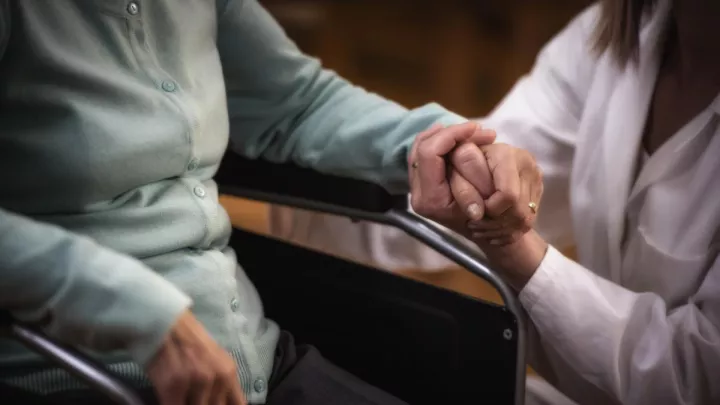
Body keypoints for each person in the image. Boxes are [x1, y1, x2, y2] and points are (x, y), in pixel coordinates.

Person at [0, 1, 524, 405]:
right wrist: (141, 313)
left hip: (252, 355)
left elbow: (293, 103)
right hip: (79, 374)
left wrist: (430, 146)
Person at [267, 0, 720, 404]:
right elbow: (494, 168)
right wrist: (307, 202)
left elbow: (695, 377)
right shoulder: (609, 36)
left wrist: (518, 253)